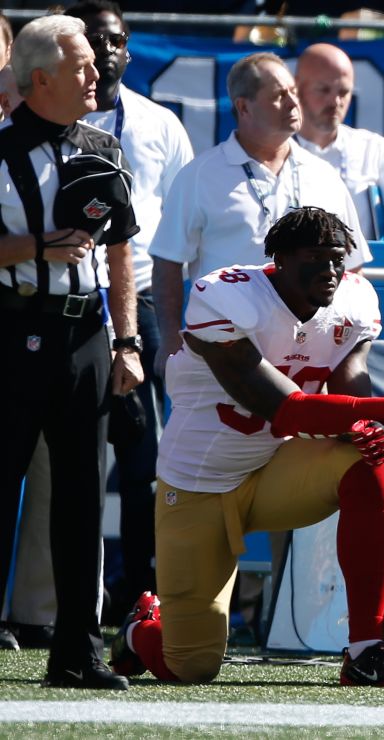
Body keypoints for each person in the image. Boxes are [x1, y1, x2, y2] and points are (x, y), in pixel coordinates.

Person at [108, 206, 384, 685]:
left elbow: (352, 394)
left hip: (276, 469)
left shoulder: (352, 301)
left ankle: (365, 650)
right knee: (189, 666)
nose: (331, 271)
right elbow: (286, 409)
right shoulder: (227, 296)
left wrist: (370, 420)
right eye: (316, 258)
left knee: (364, 453)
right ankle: (140, 629)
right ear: (281, 259)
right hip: (200, 485)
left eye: (338, 258)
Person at [0, 14, 142, 689]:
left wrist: (127, 340)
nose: (97, 75)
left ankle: (77, 650)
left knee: (83, 495)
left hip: (85, 331)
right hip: (11, 329)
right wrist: (34, 246)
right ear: (41, 80)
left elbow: (121, 251)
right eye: (81, 65)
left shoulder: (103, 145)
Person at [64, 0, 194, 617]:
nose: (106, 50)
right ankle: (57, 600)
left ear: (128, 48)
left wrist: (167, 323)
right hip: (59, 295)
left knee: (145, 454)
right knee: (59, 455)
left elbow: (181, 227)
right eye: (94, 38)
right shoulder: (41, 122)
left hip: (135, 300)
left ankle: (142, 591)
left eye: (114, 39)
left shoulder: (160, 124)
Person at [149, 52, 371, 377]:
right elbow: (168, 262)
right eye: (279, 96)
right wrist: (170, 340)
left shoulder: (323, 175)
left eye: (294, 92)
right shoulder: (200, 175)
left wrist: (343, 346)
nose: (293, 103)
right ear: (243, 106)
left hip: (309, 356)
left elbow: (352, 268)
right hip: (225, 351)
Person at [293, 43, 384, 243]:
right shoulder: (274, 151)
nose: (335, 101)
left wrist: (382, 271)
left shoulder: (374, 149)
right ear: (296, 89)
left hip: (364, 272)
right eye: (323, 90)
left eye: (344, 92)